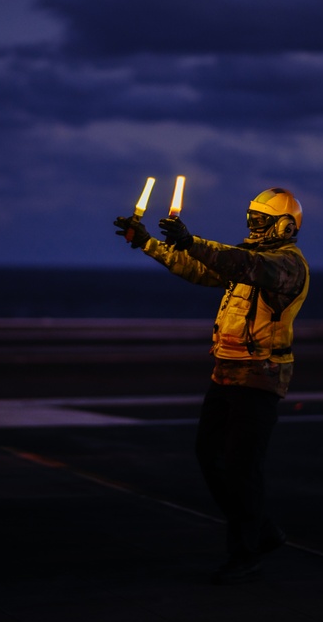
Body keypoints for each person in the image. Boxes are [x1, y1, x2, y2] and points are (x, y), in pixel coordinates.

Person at [114, 187, 309, 584]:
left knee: (241, 467)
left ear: (285, 225)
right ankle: (262, 531)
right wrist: (149, 243)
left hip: (260, 375)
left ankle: (245, 552)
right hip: (226, 370)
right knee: (210, 457)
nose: (253, 227)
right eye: (251, 218)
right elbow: (201, 268)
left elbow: (238, 263)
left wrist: (191, 240)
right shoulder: (249, 259)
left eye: (261, 220)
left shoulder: (287, 266)